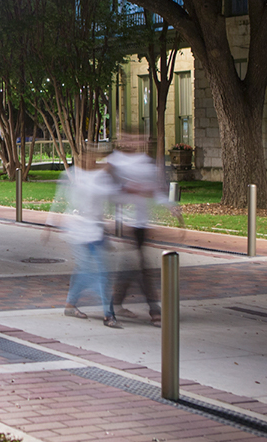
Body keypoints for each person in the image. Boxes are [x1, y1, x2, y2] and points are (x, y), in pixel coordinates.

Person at [107, 134, 183, 327]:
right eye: (128, 139)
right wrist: (127, 188)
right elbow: (110, 189)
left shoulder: (145, 164)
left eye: (137, 139)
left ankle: (115, 303)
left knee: (132, 266)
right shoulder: (115, 161)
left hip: (141, 224)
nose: (133, 142)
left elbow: (155, 192)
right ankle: (154, 309)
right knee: (142, 265)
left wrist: (170, 206)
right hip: (125, 223)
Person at [47, 144, 122, 328]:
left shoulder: (101, 178)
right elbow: (58, 201)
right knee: (87, 270)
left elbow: (112, 197)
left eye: (93, 156)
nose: (89, 159)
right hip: (77, 231)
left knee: (100, 272)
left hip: (96, 231)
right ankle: (100, 311)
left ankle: (102, 313)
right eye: (86, 156)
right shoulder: (72, 175)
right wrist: (49, 224)